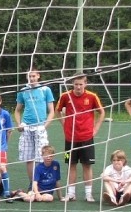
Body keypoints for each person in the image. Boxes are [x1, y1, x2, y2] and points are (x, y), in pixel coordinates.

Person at [56, 74, 105, 202]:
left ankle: (88, 194)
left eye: (80, 84)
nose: (78, 87)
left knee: (87, 165)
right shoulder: (65, 96)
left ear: (85, 84)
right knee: (71, 164)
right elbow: (57, 111)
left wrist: (96, 128)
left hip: (86, 137)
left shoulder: (92, 96)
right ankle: (71, 193)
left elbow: (102, 112)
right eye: (76, 84)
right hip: (70, 139)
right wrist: (64, 124)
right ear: (73, 84)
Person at [14, 68, 55, 183]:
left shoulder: (45, 90)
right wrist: (19, 124)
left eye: (33, 76)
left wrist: (45, 126)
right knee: (29, 158)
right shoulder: (23, 91)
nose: (31, 78)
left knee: (42, 156)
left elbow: (51, 111)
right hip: (26, 126)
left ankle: (41, 183)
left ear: (38, 76)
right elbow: (17, 110)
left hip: (40, 127)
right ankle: (32, 184)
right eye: (29, 76)